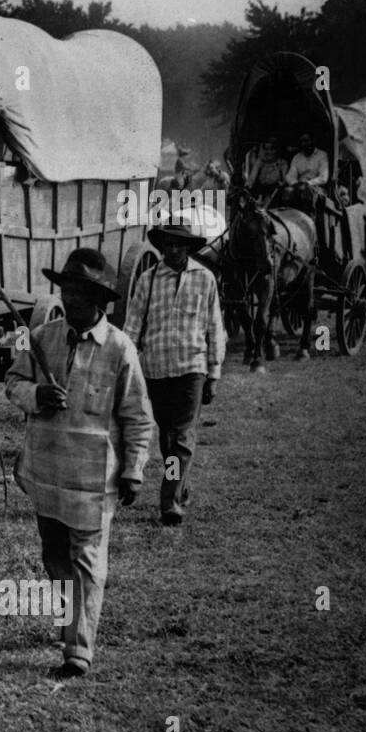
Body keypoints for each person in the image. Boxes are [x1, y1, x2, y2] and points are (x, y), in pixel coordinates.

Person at [5, 248, 153, 680]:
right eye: (66, 291)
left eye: (81, 295)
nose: (70, 302)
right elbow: (13, 383)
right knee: (54, 558)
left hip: (94, 480)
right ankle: (71, 621)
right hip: (46, 474)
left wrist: (134, 470)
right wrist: (36, 396)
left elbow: (138, 416)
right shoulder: (40, 338)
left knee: (87, 562)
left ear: (101, 303)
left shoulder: (120, 349)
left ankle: (78, 651)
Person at [123, 216, 225, 526]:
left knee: (181, 437)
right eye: (168, 244)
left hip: (191, 369)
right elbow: (133, 326)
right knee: (168, 441)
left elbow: (213, 327)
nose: (173, 250)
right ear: (162, 246)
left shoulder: (205, 279)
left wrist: (214, 372)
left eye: (179, 244)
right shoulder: (148, 280)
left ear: (188, 247)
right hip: (155, 372)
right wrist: (126, 365)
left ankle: (169, 502)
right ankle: (180, 488)